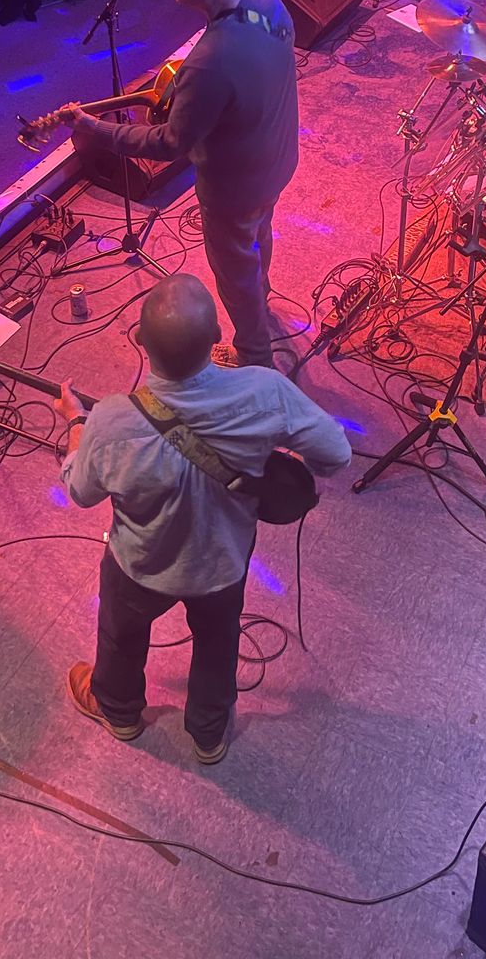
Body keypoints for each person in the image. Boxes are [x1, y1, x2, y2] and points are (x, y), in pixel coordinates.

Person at [57, 271, 351, 758]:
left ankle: (119, 711)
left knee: (120, 635)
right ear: (217, 337)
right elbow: (336, 454)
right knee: (218, 644)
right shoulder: (265, 391)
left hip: (139, 566)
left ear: (140, 341)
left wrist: (75, 424)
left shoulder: (109, 418)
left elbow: (79, 491)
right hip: (221, 564)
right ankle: (209, 734)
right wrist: (289, 469)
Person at [61, 0, 300, 368]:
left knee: (234, 271)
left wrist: (96, 129)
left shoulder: (208, 62)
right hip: (278, 159)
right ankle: (262, 298)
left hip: (235, 189)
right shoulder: (266, 0)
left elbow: (170, 143)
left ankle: (255, 356)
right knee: (259, 232)